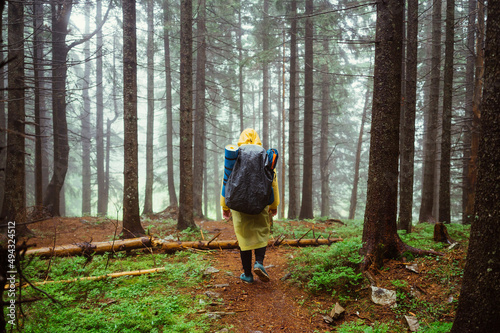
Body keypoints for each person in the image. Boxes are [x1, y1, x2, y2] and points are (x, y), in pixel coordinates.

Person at [220, 128, 279, 283]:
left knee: (244, 238)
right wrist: (274, 204)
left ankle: (247, 274)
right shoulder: (264, 155)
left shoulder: (234, 155)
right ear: (258, 139)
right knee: (261, 232)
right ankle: (259, 262)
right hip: (260, 203)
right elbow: (273, 182)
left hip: (239, 206)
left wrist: (224, 207)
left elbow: (226, 181)